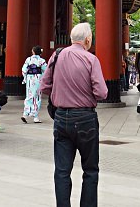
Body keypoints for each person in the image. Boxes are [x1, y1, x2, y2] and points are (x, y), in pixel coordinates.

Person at [40, 22, 109, 207]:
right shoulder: (91, 59)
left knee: (62, 171)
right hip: (85, 118)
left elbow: (44, 86)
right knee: (90, 170)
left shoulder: (57, 56)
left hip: (61, 117)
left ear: (71, 39)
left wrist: (60, 92)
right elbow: (102, 93)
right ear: (88, 39)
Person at [21, 45, 47, 123]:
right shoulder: (41, 61)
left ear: (33, 51)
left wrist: (25, 78)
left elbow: (24, 70)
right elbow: (46, 70)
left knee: (29, 96)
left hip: (29, 79)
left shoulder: (28, 59)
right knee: (37, 97)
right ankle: (35, 116)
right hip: (38, 79)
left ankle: (25, 114)